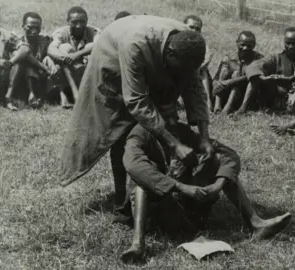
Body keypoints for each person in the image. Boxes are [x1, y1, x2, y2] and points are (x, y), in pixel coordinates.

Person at [58, 15, 213, 218]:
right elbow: (136, 102)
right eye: (178, 71)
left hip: (153, 56)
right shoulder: (136, 44)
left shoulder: (188, 47)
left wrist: (204, 136)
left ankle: (159, 191)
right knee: (120, 128)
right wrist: (175, 145)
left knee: (163, 123)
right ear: (170, 53)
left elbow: (195, 89)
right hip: (112, 59)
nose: (180, 76)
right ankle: (123, 203)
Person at [120, 123, 292, 263]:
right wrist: (179, 186)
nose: (168, 110)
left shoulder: (180, 129)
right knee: (141, 185)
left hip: (189, 207)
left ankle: (256, 223)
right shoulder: (139, 133)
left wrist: (218, 184)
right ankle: (138, 244)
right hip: (159, 211)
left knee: (222, 166)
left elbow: (227, 154)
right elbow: (135, 166)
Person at [239, 27, 295, 116]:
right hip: (279, 96)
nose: (290, 46)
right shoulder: (276, 57)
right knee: (255, 77)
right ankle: (242, 110)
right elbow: (254, 65)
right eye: (287, 43)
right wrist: (263, 78)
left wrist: (290, 79)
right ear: (284, 41)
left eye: (294, 43)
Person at [47, 6, 101, 108]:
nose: (79, 26)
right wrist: (67, 58)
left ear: (87, 21)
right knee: (64, 47)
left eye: (82, 21)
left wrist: (76, 55)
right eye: (74, 22)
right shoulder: (62, 32)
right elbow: (51, 49)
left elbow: (98, 45)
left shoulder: (93, 32)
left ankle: (86, 94)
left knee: (91, 47)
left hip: (86, 70)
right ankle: (75, 91)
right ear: (68, 21)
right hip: (67, 72)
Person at [5, 12, 57, 110]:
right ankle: (10, 97)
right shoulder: (15, 38)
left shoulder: (45, 40)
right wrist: (44, 67)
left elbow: (50, 53)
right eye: (30, 27)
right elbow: (25, 53)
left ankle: (39, 96)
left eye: (37, 28)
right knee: (21, 58)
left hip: (37, 78)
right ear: (23, 26)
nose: (34, 31)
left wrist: (50, 63)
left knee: (47, 60)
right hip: (17, 78)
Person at [212, 31, 264, 115]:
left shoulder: (258, 59)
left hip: (247, 95)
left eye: (249, 45)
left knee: (237, 75)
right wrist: (216, 85)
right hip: (227, 92)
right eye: (242, 44)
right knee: (225, 71)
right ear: (237, 43)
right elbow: (216, 78)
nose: (245, 48)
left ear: (254, 45)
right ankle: (217, 106)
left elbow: (253, 78)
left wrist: (230, 82)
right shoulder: (229, 58)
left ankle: (227, 109)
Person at [183, 15, 214, 112]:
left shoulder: (201, 43)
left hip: (196, 73)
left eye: (198, 29)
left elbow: (207, 58)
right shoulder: (176, 40)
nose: (194, 31)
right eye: (191, 27)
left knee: (203, 72)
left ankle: (208, 102)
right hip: (179, 72)